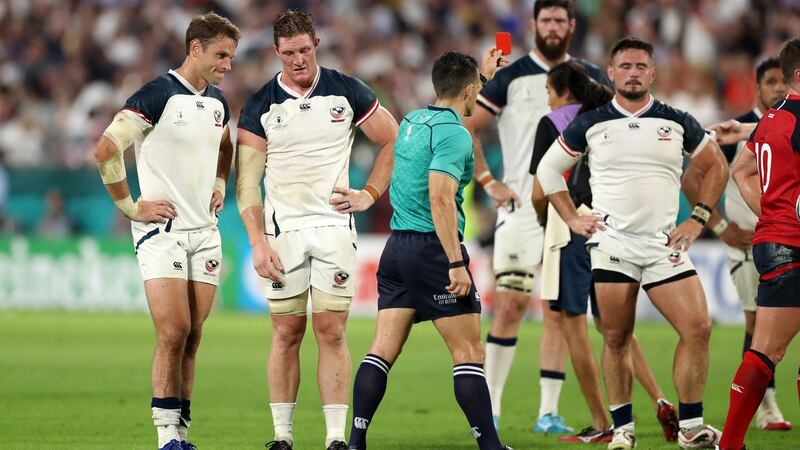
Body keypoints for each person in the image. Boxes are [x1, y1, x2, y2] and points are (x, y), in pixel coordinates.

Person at [537, 37, 728, 450]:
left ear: (653, 72)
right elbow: (549, 170)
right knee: (616, 337)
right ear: (611, 73)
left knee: (698, 328)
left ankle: (691, 427)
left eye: (641, 66)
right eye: (625, 66)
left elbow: (716, 166)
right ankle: (623, 430)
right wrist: (571, 217)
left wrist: (698, 219)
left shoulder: (677, 120)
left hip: (664, 245)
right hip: (614, 245)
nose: (633, 72)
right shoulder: (592, 122)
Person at [235, 10, 398, 450]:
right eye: (289, 53)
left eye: (304, 50)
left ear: (317, 44)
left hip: (333, 232)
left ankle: (334, 439)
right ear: (276, 53)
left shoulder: (346, 91)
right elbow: (247, 183)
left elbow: (393, 139)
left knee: (333, 332)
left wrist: (369, 193)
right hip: (282, 235)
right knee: (286, 333)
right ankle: (283, 437)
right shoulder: (260, 104)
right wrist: (256, 242)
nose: (298, 60)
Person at [347, 48, 511, 450]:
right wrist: (455, 263)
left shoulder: (412, 121)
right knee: (469, 352)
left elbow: (459, 96)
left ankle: (356, 441)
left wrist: (482, 76)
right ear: (470, 90)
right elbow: (440, 197)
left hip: (397, 249)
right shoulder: (456, 135)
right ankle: (491, 446)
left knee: (382, 350)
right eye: (476, 90)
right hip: (434, 250)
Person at [92, 12, 239, 450]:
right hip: (164, 231)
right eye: (221, 55)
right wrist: (130, 207)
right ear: (195, 49)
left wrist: (219, 183)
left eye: (230, 56)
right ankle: (164, 436)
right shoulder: (157, 94)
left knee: (193, 335)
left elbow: (225, 145)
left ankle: (182, 434)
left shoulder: (217, 103)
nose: (228, 65)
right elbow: (105, 148)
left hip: (205, 232)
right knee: (173, 331)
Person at [463, 0, 608, 433]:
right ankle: (489, 410)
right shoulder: (509, 75)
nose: (552, 26)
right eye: (545, 19)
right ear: (533, 25)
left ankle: (549, 412)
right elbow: (467, 126)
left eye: (559, 19)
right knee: (508, 306)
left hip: (571, 209)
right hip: (523, 207)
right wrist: (489, 183)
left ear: (571, 25)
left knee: (561, 311)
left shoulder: (589, 78)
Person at [530, 61, 679, 444]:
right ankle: (660, 398)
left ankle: (602, 422)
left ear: (564, 92)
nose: (548, 99)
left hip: (572, 228)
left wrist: (546, 225)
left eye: (549, 91)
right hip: (615, 229)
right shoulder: (607, 116)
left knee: (573, 327)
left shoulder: (554, 124)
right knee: (616, 329)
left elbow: (539, 190)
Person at [684, 58, 792, 432]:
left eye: (782, 81)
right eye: (771, 82)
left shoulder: (761, 126)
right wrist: (719, 225)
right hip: (751, 242)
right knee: (757, 324)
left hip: (775, 237)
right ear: (757, 87)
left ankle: (749, 420)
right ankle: (767, 406)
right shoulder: (739, 132)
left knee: (765, 334)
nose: (778, 88)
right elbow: (692, 177)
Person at [719, 37, 800, 450]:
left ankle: (730, 443)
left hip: (772, 241)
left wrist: (770, 209)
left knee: (764, 348)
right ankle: (730, 442)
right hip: (795, 245)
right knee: (766, 349)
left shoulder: (772, 119)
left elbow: (742, 172)